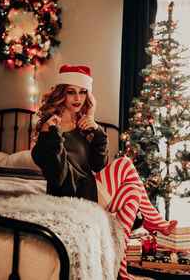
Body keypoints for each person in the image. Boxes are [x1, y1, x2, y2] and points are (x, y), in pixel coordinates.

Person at [31, 65, 178, 280]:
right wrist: (54, 136)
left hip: (89, 189)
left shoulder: (79, 120)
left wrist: (98, 134)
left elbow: (98, 166)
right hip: (70, 194)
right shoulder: (50, 126)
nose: (77, 98)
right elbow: (58, 177)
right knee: (125, 163)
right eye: (71, 91)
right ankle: (154, 220)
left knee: (133, 192)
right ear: (61, 92)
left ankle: (121, 268)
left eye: (82, 92)